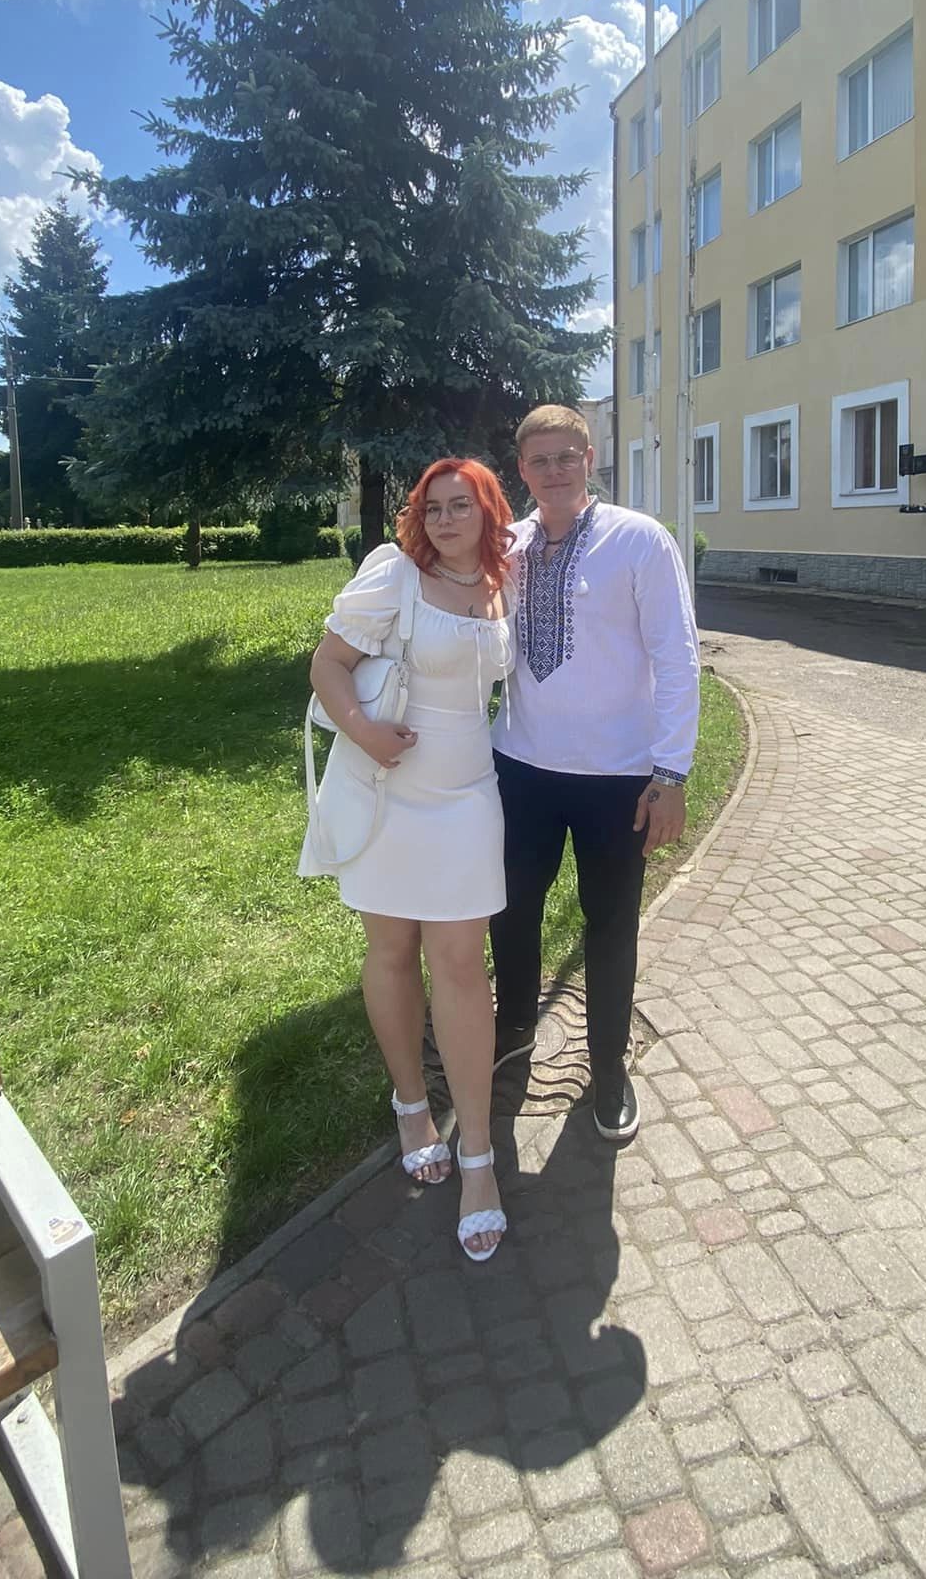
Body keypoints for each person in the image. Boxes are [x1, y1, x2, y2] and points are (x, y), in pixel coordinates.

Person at [301, 459, 516, 1260]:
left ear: (488, 511)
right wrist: (363, 733)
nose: (446, 519)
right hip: (389, 789)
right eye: (433, 508)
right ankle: (411, 1106)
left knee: (461, 965)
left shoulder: (503, 584)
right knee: (391, 951)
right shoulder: (393, 574)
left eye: (462, 505)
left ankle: (478, 1156)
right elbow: (327, 664)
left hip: (467, 796)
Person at [490, 404, 699, 1143]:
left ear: (590, 459)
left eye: (566, 457)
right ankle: (514, 1032)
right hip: (521, 767)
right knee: (511, 908)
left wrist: (671, 773)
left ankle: (608, 1066)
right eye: (539, 460)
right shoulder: (508, 545)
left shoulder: (638, 539)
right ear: (522, 469)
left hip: (618, 777)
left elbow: (677, 655)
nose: (553, 471)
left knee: (610, 923)